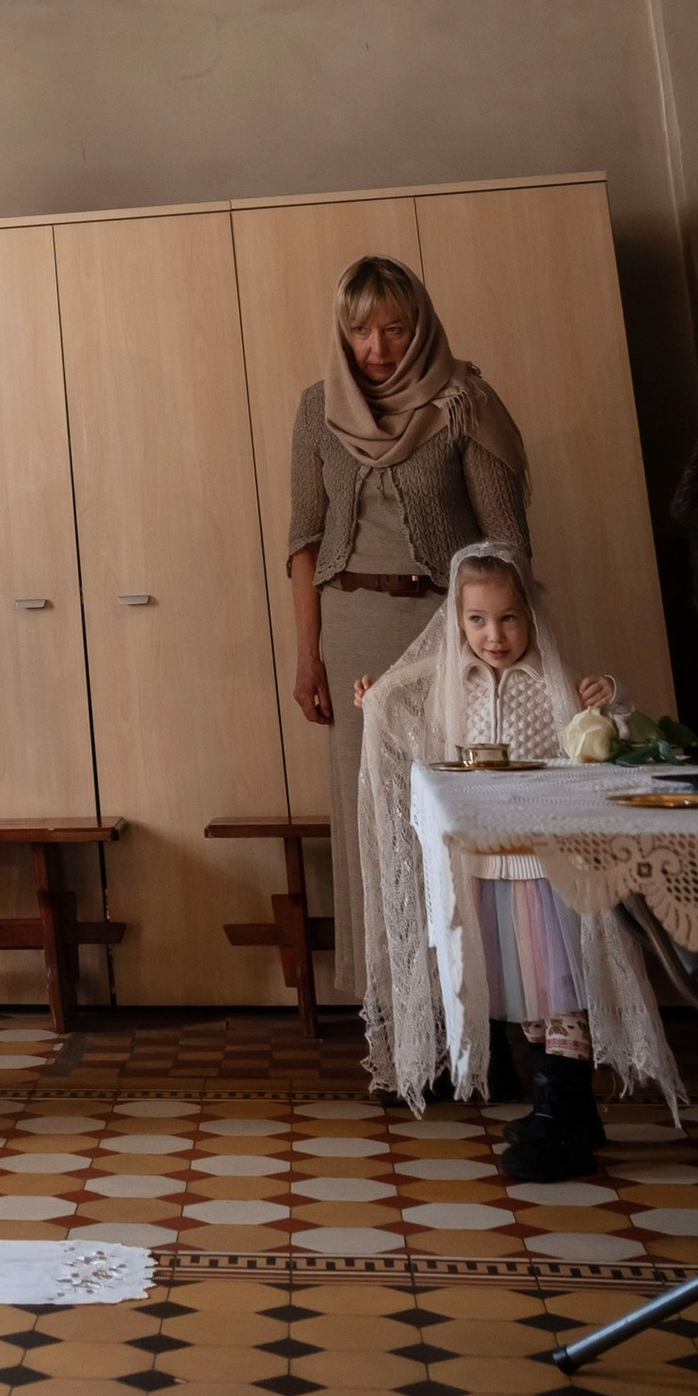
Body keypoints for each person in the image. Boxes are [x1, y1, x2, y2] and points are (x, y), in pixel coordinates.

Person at [356, 539, 674, 1171]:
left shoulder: (553, 682)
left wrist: (612, 698)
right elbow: (426, 747)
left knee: (561, 987)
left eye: (507, 619)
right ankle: (562, 1108)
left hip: (551, 867)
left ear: (531, 618)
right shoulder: (453, 683)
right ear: (457, 621)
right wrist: (376, 702)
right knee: (527, 991)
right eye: (476, 620)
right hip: (489, 865)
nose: (493, 635)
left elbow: (611, 743)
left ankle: (565, 1111)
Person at [285, 255, 530, 1003]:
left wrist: (490, 644)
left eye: (394, 327)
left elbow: (506, 543)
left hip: (446, 632)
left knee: (453, 815)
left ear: (419, 324)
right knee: (378, 821)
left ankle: (479, 1015)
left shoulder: (465, 403)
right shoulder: (316, 408)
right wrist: (307, 659)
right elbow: (304, 539)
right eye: (360, 330)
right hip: (352, 631)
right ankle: (398, 1024)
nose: (378, 347)